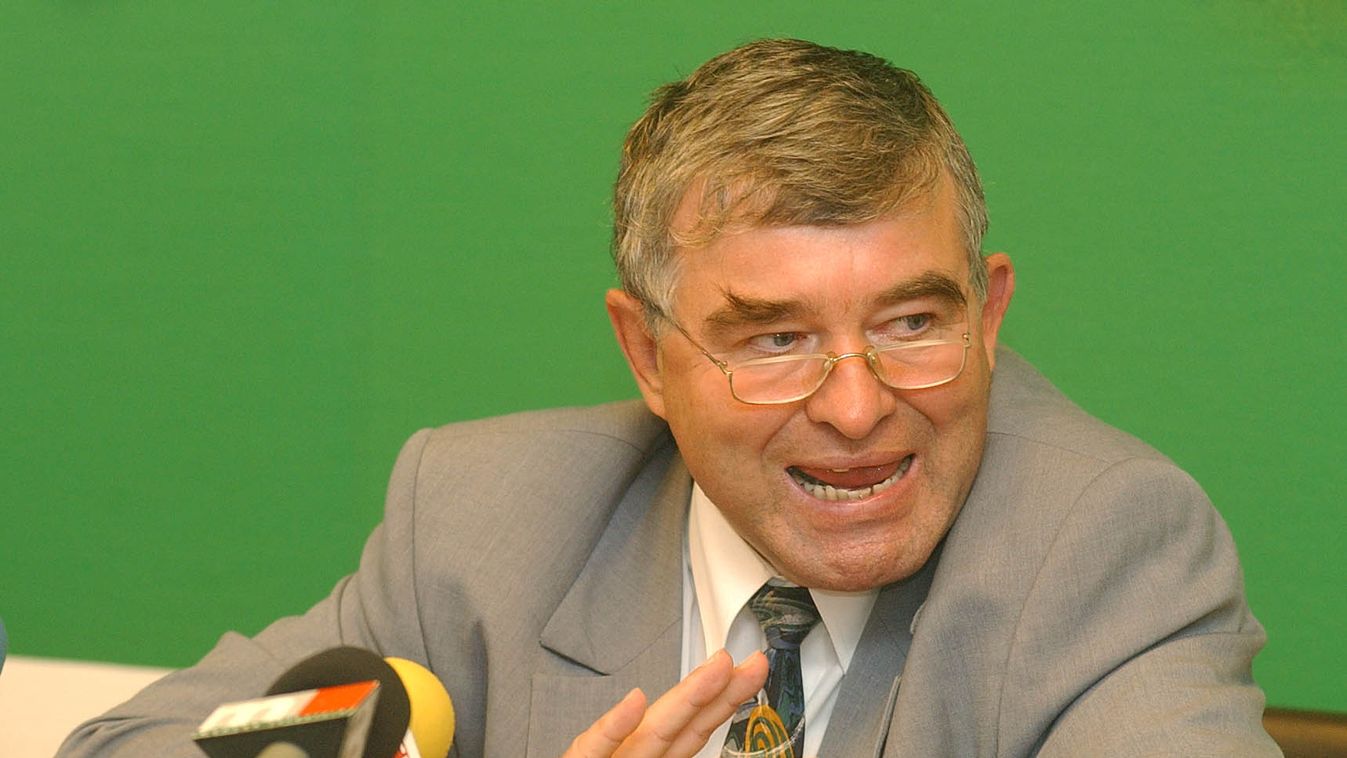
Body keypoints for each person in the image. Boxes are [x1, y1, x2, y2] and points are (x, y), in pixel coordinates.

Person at [60, 39, 1277, 757]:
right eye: (776, 339)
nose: (859, 409)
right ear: (646, 355)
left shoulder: (1103, 552)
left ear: (989, 312)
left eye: (913, 324)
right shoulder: (484, 525)